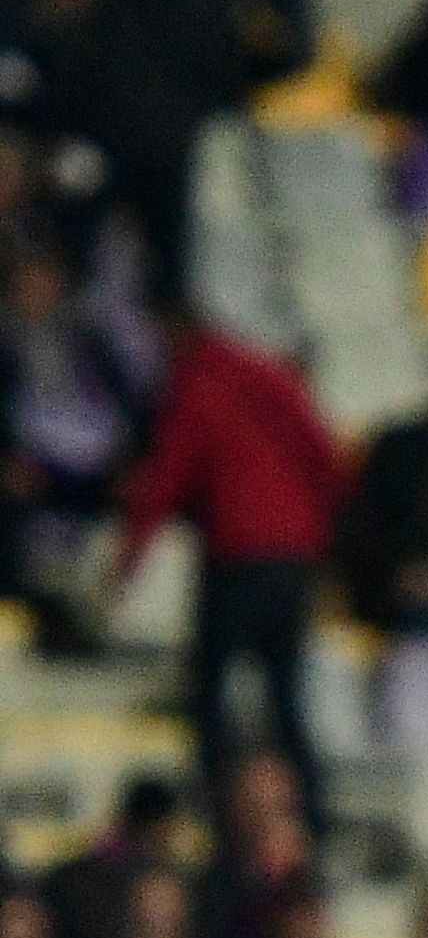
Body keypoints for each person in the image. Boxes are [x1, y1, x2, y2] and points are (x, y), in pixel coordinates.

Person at [113, 295, 349, 808]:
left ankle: (220, 808)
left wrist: (128, 559)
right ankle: (310, 811)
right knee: (285, 696)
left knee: (209, 687)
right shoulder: (273, 375)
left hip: (240, 557)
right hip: (294, 561)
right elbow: (324, 456)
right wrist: (325, 541)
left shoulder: (196, 387)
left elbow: (166, 477)